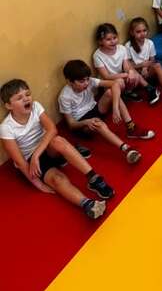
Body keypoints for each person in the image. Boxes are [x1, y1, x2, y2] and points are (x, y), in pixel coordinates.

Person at [0, 79, 114, 219]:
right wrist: (38, 184)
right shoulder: (6, 128)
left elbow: (52, 129)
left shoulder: (36, 106)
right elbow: (20, 162)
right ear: (8, 105)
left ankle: (94, 178)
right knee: (57, 179)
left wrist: (37, 154)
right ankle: (88, 204)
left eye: (27, 94)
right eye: (19, 98)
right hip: (32, 161)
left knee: (58, 140)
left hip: (47, 148)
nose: (26, 99)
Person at [59, 60, 142, 162]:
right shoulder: (65, 96)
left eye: (87, 79)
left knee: (111, 92)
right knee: (99, 124)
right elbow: (71, 124)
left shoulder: (89, 81)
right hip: (81, 123)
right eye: (81, 81)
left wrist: (115, 108)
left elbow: (115, 84)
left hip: (94, 109)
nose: (86, 83)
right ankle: (126, 149)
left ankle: (131, 126)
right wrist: (86, 122)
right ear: (69, 81)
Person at [93, 24, 157, 138]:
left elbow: (127, 66)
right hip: (109, 84)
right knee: (118, 83)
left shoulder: (121, 48)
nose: (113, 41)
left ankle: (148, 88)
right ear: (100, 41)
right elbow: (106, 76)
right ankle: (130, 126)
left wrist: (130, 71)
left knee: (132, 73)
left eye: (114, 38)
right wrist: (125, 74)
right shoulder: (97, 55)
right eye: (108, 39)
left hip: (121, 81)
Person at [126, 17, 162, 112]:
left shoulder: (150, 43)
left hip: (148, 73)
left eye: (144, 30)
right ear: (132, 33)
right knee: (131, 71)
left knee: (158, 65)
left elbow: (152, 60)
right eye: (138, 32)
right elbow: (128, 65)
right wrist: (142, 65)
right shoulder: (128, 46)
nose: (142, 34)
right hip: (137, 77)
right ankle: (151, 90)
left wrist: (145, 67)